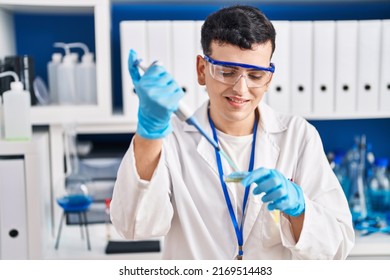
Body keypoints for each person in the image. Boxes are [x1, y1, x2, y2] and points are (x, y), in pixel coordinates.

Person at [110, 4, 355, 260]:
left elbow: (337, 248)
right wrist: (149, 133)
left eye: (256, 75)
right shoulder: (171, 140)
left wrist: (299, 209)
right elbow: (133, 226)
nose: (241, 88)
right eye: (227, 72)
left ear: (270, 78)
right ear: (202, 70)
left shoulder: (298, 136)